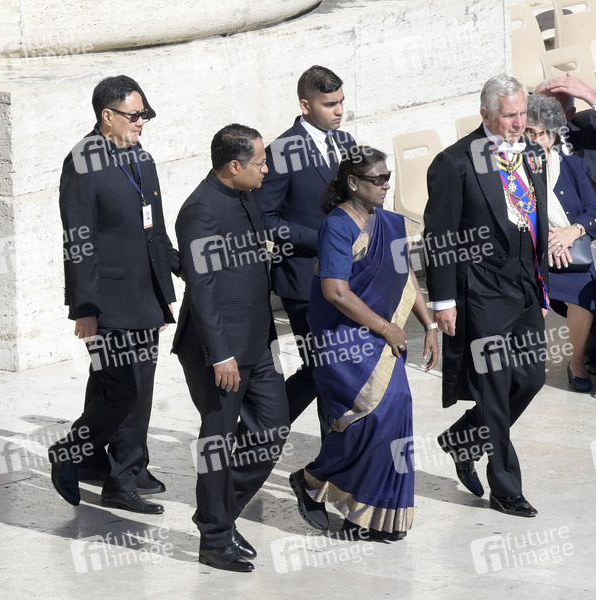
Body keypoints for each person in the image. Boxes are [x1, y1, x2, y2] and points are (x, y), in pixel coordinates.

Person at [287, 147, 438, 541]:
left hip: (383, 334)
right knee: (365, 424)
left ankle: (375, 517)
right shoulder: (337, 226)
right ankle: (312, 480)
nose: (385, 185)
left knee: (395, 416)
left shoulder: (390, 222)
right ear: (353, 183)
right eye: (377, 179)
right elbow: (335, 292)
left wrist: (429, 324)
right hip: (344, 340)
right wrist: (386, 328)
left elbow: (405, 275)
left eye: (388, 178)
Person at [48, 75, 179, 515]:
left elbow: (155, 229)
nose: (142, 122)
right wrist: (84, 308)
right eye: (134, 115)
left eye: (145, 115)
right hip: (109, 299)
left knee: (130, 385)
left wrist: (170, 285)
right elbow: (78, 239)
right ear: (108, 115)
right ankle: (101, 469)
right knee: (124, 389)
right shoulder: (82, 161)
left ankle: (120, 464)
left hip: (144, 295)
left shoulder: (140, 157)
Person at [424, 74, 549, 518]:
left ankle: (464, 438)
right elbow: (438, 235)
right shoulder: (455, 162)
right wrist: (443, 301)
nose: (519, 123)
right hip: (482, 290)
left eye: (523, 114)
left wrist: (542, 278)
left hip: (524, 283)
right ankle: (506, 488)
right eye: (510, 115)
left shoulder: (532, 153)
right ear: (486, 114)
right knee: (494, 390)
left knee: (531, 378)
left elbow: (535, 217)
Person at [173, 124, 289, 573]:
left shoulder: (245, 194)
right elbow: (202, 289)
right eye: (260, 162)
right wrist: (222, 354)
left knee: (271, 429)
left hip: (258, 340)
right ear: (235, 166)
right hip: (218, 350)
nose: (267, 169)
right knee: (218, 441)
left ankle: (220, 513)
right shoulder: (199, 211)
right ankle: (215, 539)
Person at [254, 65, 356, 432]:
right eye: (330, 104)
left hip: (348, 276)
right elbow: (264, 217)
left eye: (341, 101)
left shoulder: (346, 142)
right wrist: (323, 238)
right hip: (303, 281)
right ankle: (261, 432)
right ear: (305, 105)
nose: (339, 110)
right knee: (319, 369)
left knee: (338, 368)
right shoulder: (281, 151)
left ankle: (333, 452)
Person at [535, 74, 596, 377]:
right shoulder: (525, 147)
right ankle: (587, 345)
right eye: (543, 109)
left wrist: (592, 96)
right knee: (588, 271)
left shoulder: (587, 125)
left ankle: (588, 337)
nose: (551, 116)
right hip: (550, 227)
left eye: (558, 111)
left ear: (570, 113)